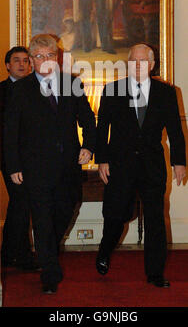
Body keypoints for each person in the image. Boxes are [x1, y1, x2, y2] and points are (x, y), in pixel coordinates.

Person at [4, 34, 96, 294]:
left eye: (51, 55)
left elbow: (88, 121)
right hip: (35, 169)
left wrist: (89, 146)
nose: (47, 60)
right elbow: (10, 132)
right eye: (41, 56)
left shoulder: (72, 83)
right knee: (42, 219)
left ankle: (47, 251)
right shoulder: (20, 90)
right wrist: (13, 166)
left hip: (68, 167)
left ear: (57, 58)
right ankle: (50, 273)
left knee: (66, 211)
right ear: (32, 61)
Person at [95, 43, 186, 287]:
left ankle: (155, 273)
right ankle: (105, 250)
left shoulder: (167, 92)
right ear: (128, 63)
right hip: (119, 165)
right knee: (115, 216)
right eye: (133, 61)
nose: (137, 65)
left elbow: (176, 131)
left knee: (156, 217)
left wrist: (179, 161)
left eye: (142, 61)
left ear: (152, 64)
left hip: (152, 165)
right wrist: (101, 159)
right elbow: (101, 129)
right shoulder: (112, 90)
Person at [0, 46, 39, 270]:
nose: (22, 64)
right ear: (8, 65)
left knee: (20, 205)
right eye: (17, 61)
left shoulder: (37, 90)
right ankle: (19, 257)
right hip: (8, 159)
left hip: (32, 159)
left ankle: (9, 255)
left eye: (26, 60)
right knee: (22, 203)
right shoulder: (1, 91)